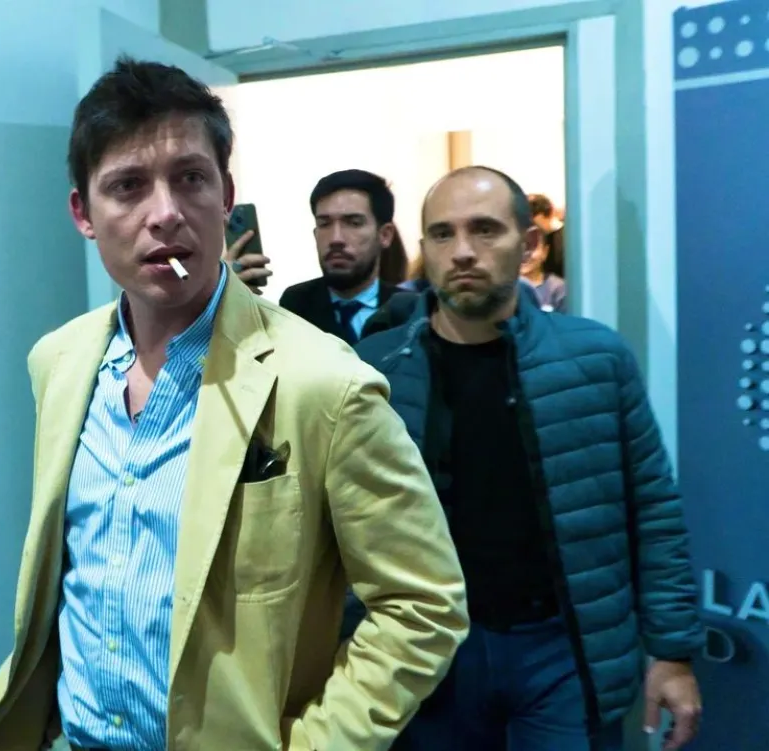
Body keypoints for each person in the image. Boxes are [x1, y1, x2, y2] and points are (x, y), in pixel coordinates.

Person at [0, 57, 469, 751]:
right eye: (127, 186)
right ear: (83, 213)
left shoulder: (323, 382)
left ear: (226, 196)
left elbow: (423, 604)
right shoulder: (60, 362)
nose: (165, 213)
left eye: (190, 178)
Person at [354, 166, 704, 751]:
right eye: (442, 234)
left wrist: (672, 652)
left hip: (560, 653)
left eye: (485, 230)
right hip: (428, 654)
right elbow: (345, 526)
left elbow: (653, 510)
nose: (462, 251)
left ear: (529, 243)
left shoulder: (595, 360)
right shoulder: (374, 369)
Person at [279, 169, 403, 344]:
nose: (335, 239)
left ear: (385, 235)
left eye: (353, 223)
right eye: (324, 224)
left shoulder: (410, 311)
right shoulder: (295, 306)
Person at [520, 227, 567, 312]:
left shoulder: (558, 289)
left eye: (532, 247)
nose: (525, 254)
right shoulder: (504, 287)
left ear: (545, 252)